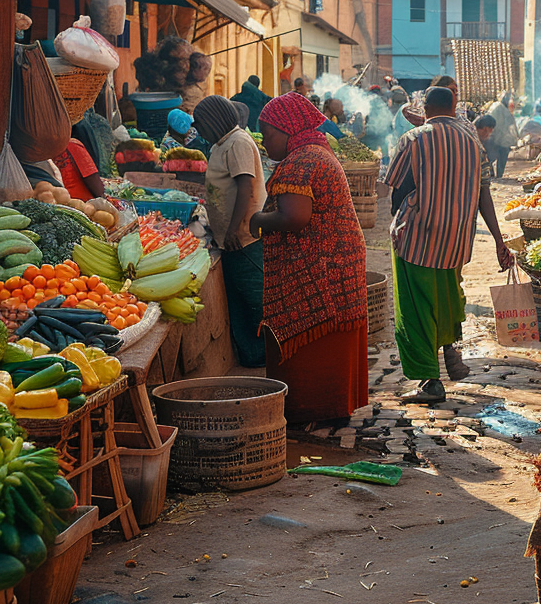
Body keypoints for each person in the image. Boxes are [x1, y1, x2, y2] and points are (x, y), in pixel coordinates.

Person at [384, 86, 515, 404]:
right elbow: (485, 193)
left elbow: (396, 190)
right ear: (454, 106)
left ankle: (430, 382)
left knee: (416, 308)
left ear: (425, 108)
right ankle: (449, 347)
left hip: (417, 237)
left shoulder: (413, 139)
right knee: (446, 296)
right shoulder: (473, 140)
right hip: (456, 239)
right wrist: (499, 239)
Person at [249, 93, 369, 421]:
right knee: (333, 337)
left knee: (320, 338)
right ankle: (332, 407)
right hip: (338, 257)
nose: (264, 141)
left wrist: (257, 220)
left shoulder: (301, 160)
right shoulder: (317, 152)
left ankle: (311, 407)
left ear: (288, 129)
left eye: (268, 133)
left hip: (323, 263)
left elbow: (294, 217)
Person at [195, 96, 267, 367]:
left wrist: (236, 229)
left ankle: (266, 354)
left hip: (244, 238)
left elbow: (246, 188)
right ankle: (251, 356)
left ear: (214, 120)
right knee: (238, 300)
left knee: (255, 298)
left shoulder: (238, 142)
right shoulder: (222, 144)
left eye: (201, 124)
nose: (199, 130)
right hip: (230, 240)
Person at [482, 92, 519, 179]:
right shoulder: (498, 108)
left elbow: (510, 123)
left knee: (500, 156)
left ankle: (498, 175)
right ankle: (492, 174)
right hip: (495, 137)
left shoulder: (501, 108)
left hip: (502, 138)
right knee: (492, 157)